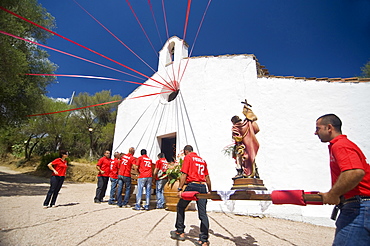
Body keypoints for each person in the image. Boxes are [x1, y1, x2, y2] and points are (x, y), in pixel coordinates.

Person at [315, 114, 370, 245]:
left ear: (329, 128)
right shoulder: (340, 145)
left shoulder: (341, 145)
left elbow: (355, 172)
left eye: (318, 128)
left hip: (359, 208)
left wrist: (333, 195)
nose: (315, 132)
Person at [170, 145, 212, 246]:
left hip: (192, 185)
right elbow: (207, 177)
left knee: (181, 206)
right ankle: (204, 240)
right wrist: (210, 190)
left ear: (186, 151)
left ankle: (180, 231)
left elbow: (184, 174)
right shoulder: (202, 160)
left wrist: (180, 189)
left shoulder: (188, 158)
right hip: (202, 187)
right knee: (203, 214)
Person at [231, 99, 260, 179]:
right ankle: (256, 172)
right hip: (249, 146)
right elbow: (256, 129)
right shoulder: (247, 124)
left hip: (241, 147)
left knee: (238, 157)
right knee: (252, 158)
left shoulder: (236, 128)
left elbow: (237, 138)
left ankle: (240, 172)